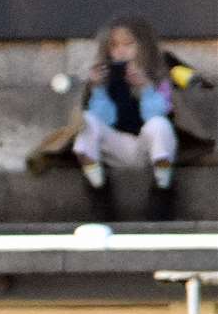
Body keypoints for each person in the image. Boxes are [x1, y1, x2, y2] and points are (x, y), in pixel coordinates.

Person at [74, 15, 179, 222]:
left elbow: (157, 116)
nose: (121, 51)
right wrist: (99, 89)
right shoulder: (106, 80)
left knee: (159, 126)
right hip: (116, 146)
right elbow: (104, 120)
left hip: (148, 148)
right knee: (86, 122)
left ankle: (163, 189)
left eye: (128, 44)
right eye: (114, 46)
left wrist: (145, 88)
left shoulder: (158, 75)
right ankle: (98, 188)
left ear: (143, 46)